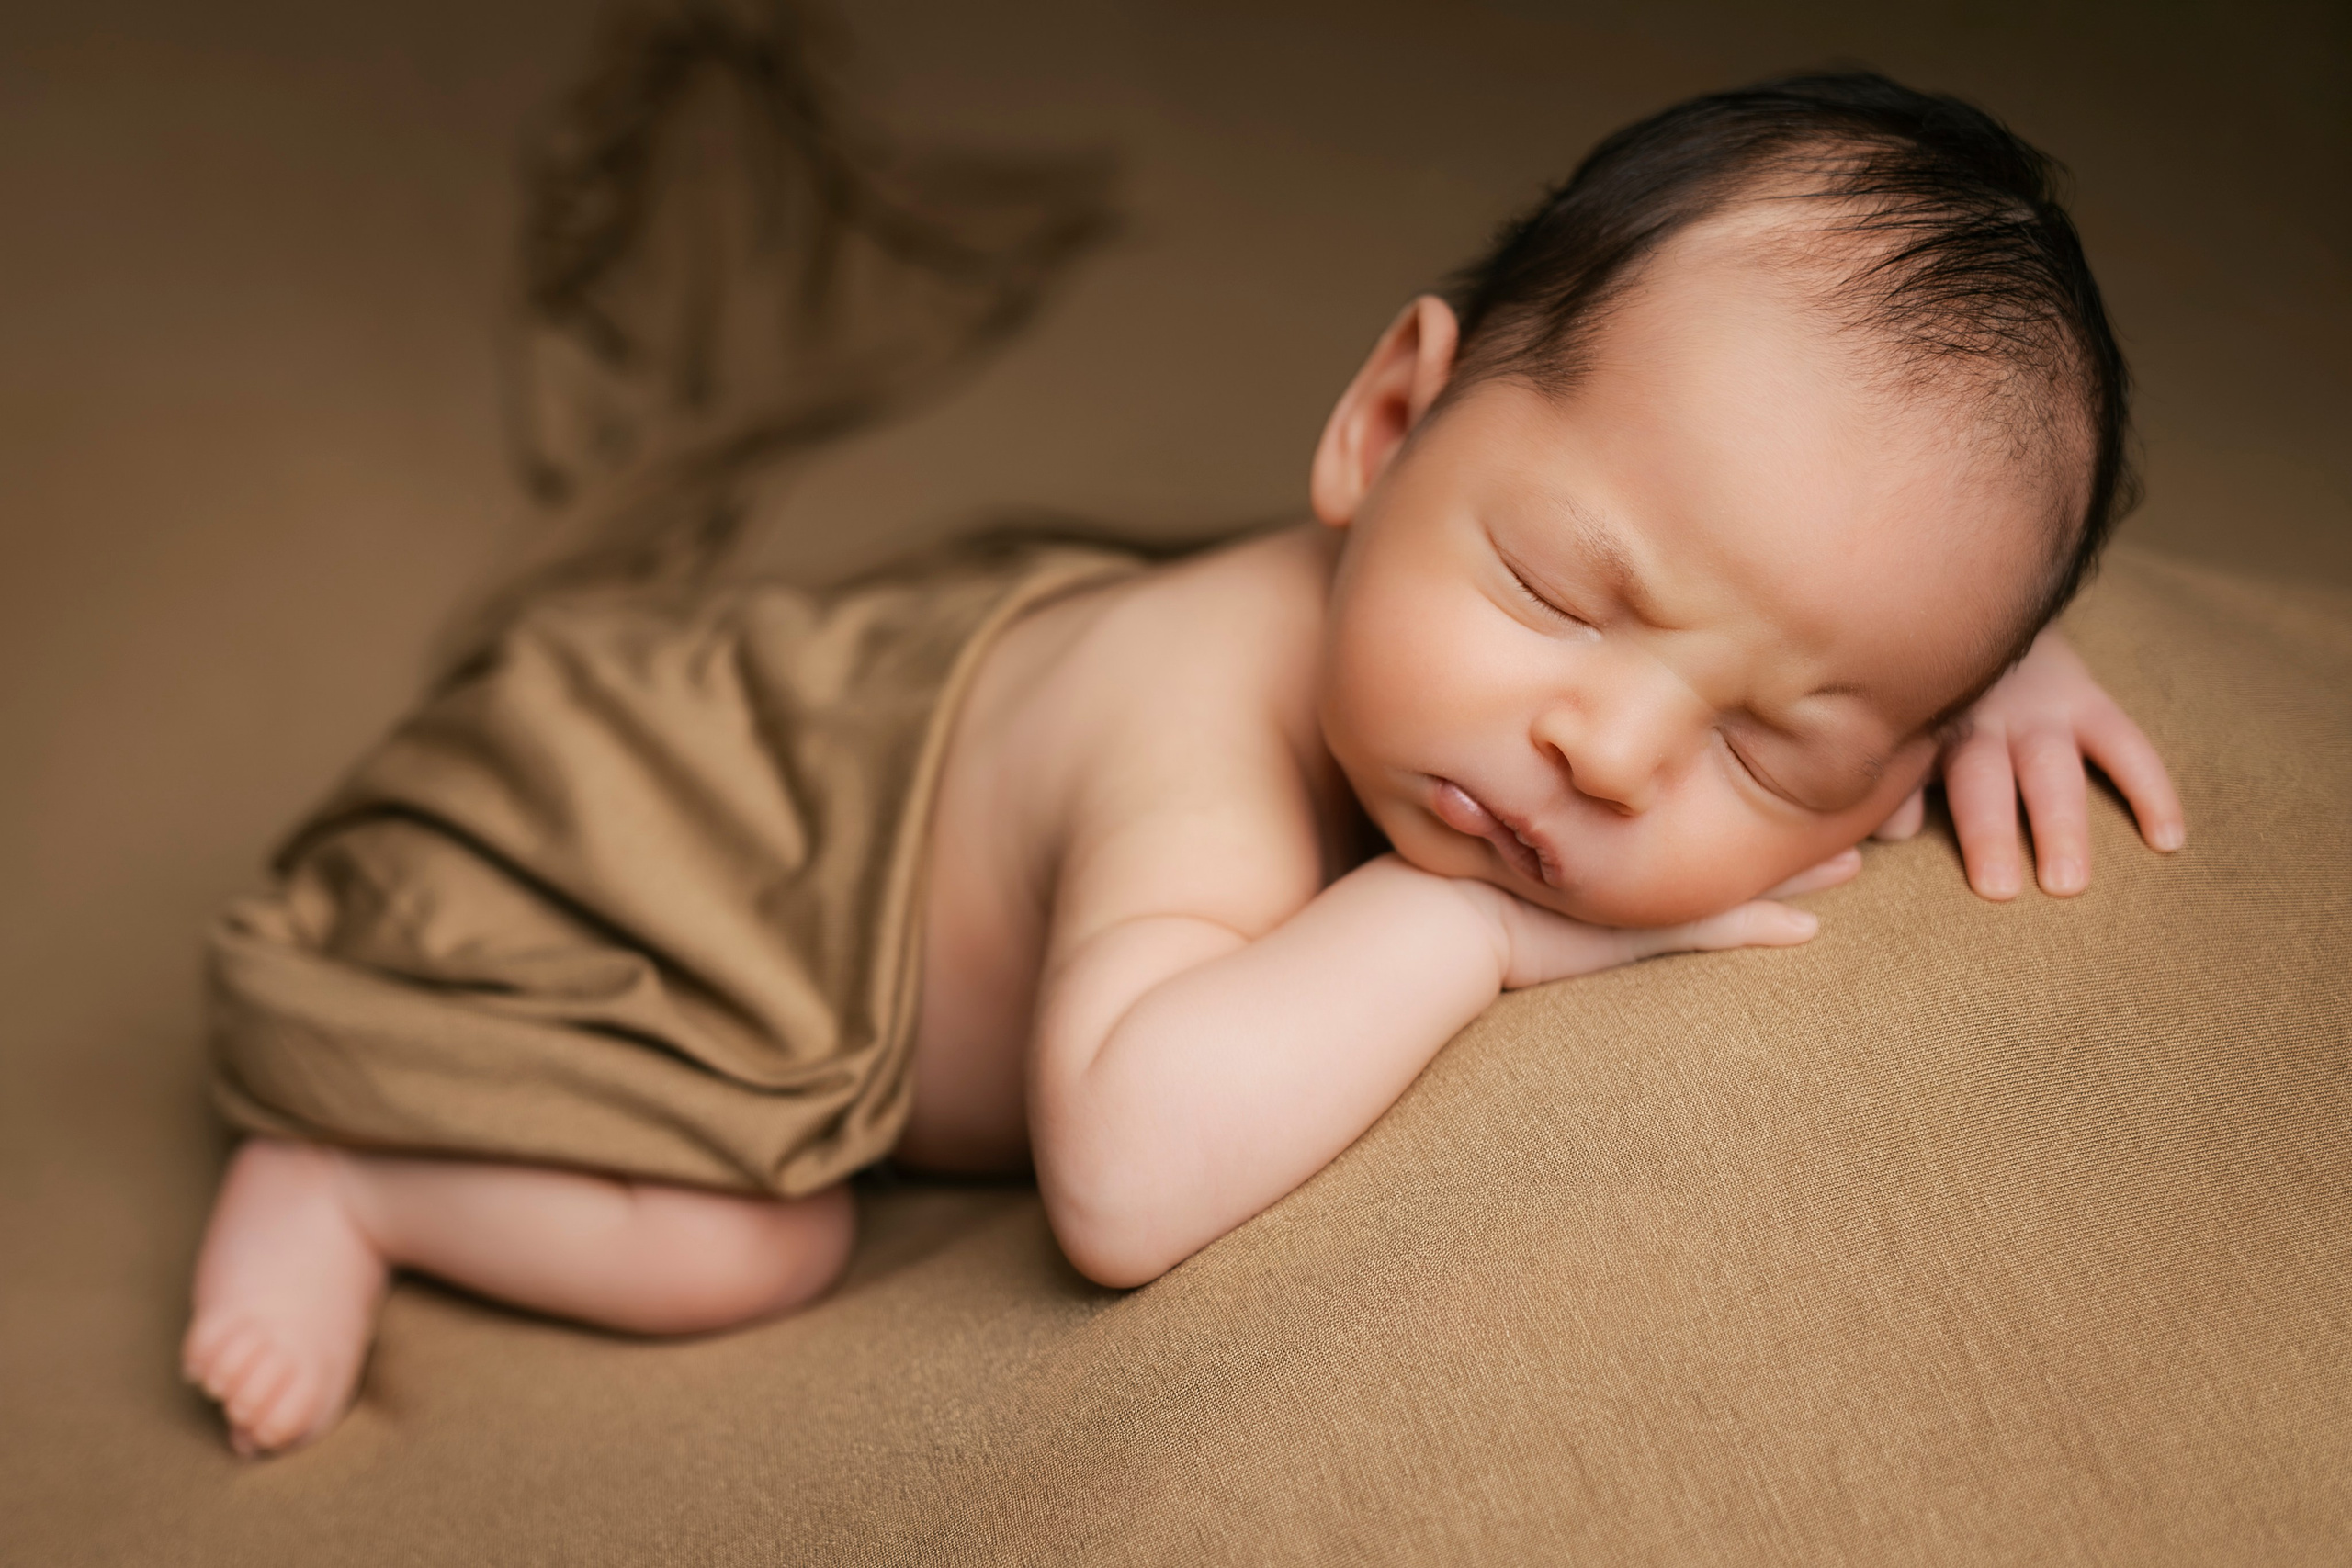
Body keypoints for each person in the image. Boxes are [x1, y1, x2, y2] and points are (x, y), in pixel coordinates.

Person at [183, 70, 2183, 1456]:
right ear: (1384, 425)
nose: (1609, 746)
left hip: (913, 716)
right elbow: (1125, 1179)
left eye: (1772, 737)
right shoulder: (1196, 731)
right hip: (671, 861)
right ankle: (356, 1178)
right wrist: (1442, 929)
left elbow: (1836, 583)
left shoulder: (1655, 659)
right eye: (1563, 594)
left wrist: (1981, 671)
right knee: (745, 1242)